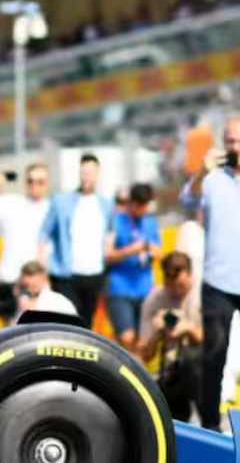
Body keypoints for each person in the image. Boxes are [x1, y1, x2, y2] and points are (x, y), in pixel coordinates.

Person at [182, 117, 240, 431]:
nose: (235, 147)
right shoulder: (213, 179)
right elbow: (187, 199)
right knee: (213, 356)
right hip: (219, 282)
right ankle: (208, 427)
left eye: (239, 141)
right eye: (230, 141)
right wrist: (202, 170)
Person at [39, 152, 113, 327]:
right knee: (68, 320)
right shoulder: (61, 202)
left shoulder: (106, 203)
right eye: (84, 172)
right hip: (66, 273)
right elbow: (44, 233)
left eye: (91, 172)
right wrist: (42, 263)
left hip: (95, 272)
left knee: (87, 322)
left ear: (98, 174)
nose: (87, 177)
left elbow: (110, 233)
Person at [137, 252, 203, 422]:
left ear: (190, 275)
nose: (175, 291)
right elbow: (145, 354)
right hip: (169, 373)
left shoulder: (203, 296)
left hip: (201, 370)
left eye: (180, 285)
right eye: (170, 285)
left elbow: (215, 343)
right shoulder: (154, 300)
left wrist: (188, 329)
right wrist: (156, 333)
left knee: (191, 360)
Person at [0, 162, 52, 286]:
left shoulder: (53, 209)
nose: (34, 185)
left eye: (40, 181)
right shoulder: (11, 203)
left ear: (47, 184)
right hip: (11, 278)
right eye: (30, 181)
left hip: (40, 282)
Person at [105, 183, 162, 353]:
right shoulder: (116, 221)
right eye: (142, 205)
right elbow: (108, 256)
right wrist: (132, 250)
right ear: (133, 203)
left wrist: (151, 251)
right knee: (126, 337)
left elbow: (159, 252)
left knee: (142, 341)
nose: (145, 209)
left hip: (145, 288)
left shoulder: (150, 223)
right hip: (120, 288)